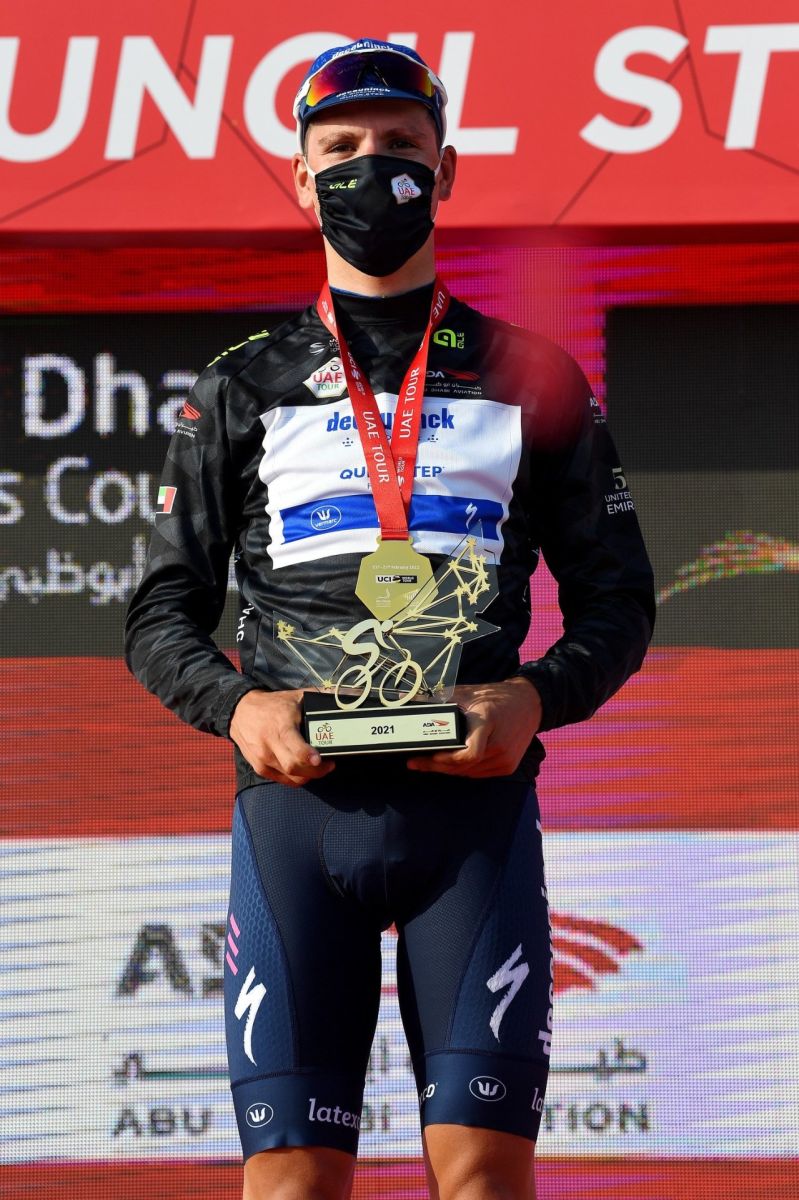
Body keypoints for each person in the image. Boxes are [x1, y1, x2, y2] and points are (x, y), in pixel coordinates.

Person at [125, 36, 655, 1200]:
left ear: (446, 169)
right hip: (297, 817)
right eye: (343, 149)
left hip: (472, 819)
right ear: (300, 179)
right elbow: (160, 611)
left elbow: (619, 600)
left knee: (484, 1184)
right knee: (290, 1188)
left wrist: (533, 698)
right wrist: (239, 709)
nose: (373, 168)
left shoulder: (532, 372)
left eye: (401, 145)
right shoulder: (242, 384)